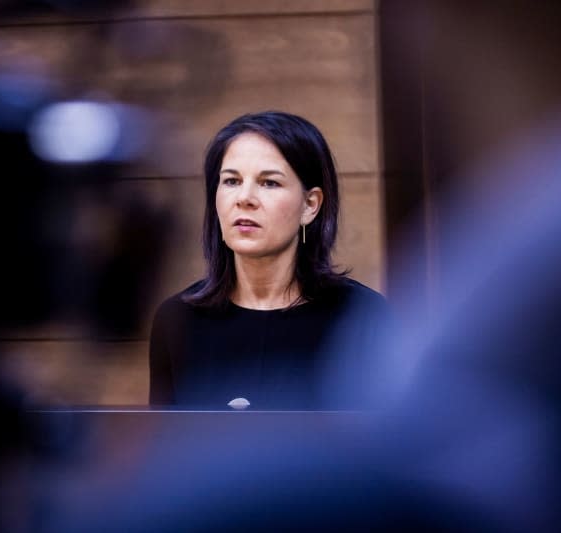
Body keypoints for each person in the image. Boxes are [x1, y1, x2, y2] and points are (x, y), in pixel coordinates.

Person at [149, 111, 390, 409]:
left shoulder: (361, 317)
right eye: (231, 181)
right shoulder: (177, 319)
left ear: (310, 205)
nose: (245, 198)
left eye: (269, 183)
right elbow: (167, 447)